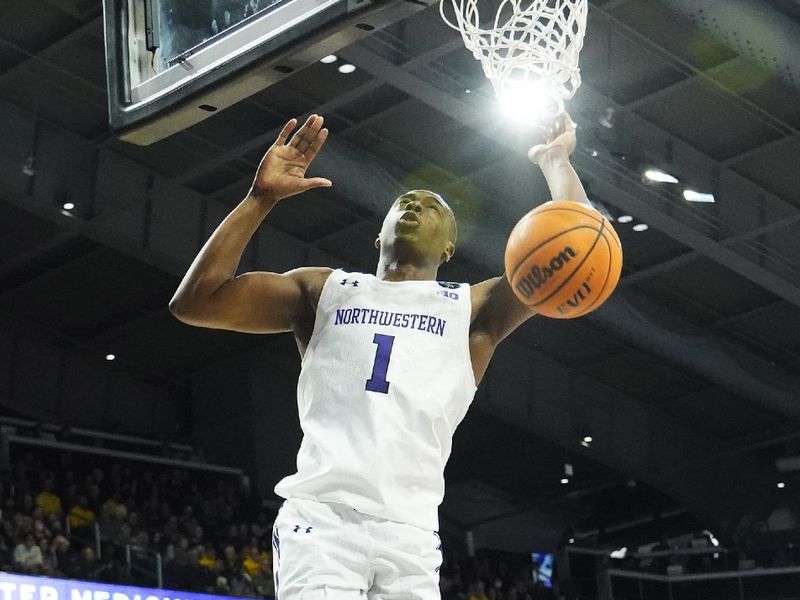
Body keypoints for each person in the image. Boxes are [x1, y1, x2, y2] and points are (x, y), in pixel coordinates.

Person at [170, 112, 588, 599]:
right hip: (324, 521)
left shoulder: (472, 311)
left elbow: (578, 249)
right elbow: (197, 303)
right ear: (378, 235)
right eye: (404, 201)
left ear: (449, 248)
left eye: (432, 206)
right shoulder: (322, 289)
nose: (415, 204)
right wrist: (258, 200)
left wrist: (556, 162)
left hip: (410, 533)